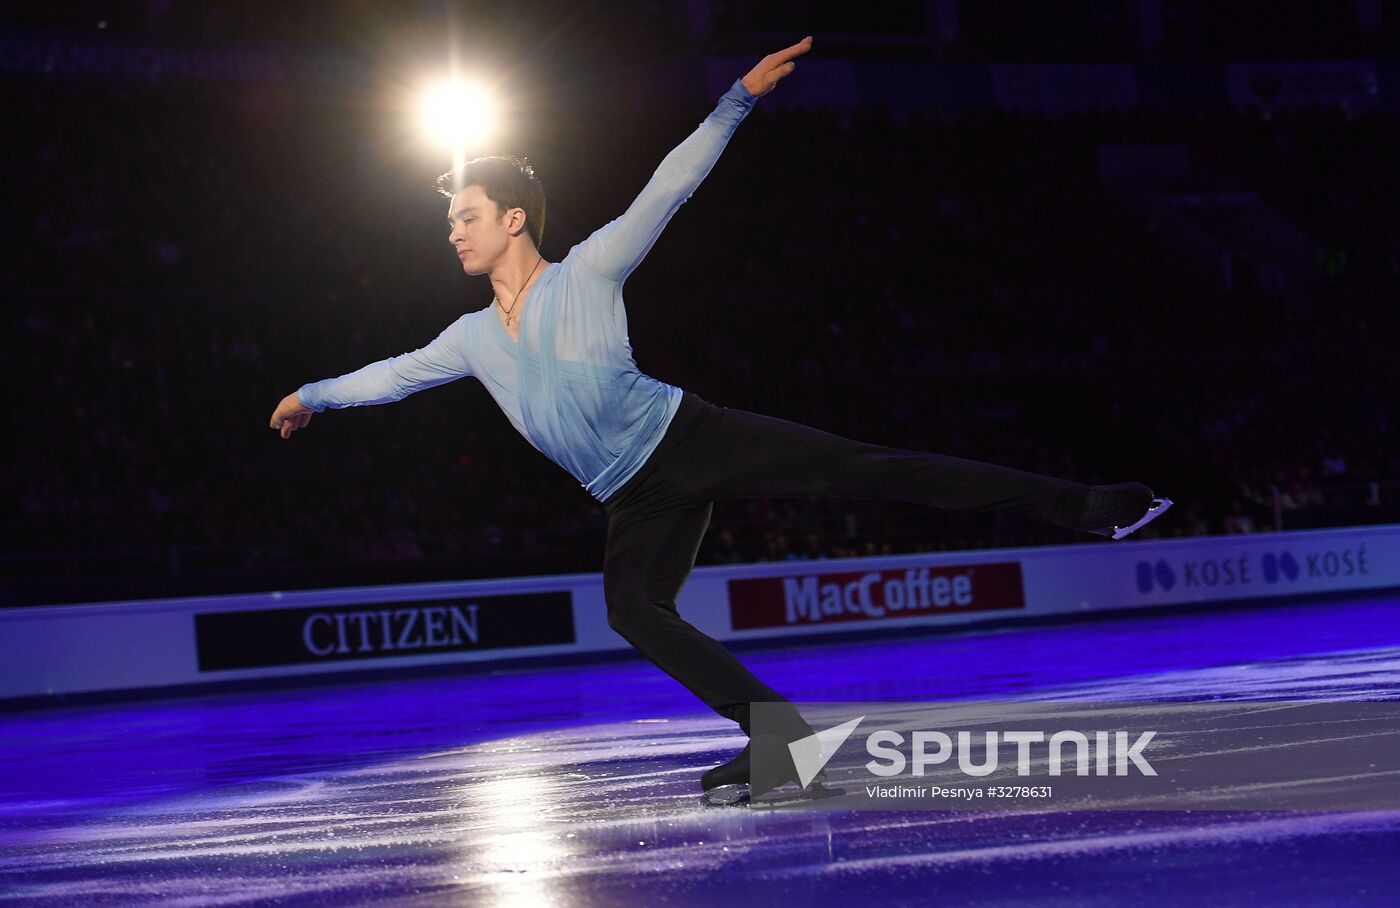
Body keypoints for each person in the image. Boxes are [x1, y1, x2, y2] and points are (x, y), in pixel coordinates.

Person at [268, 37, 1170, 804]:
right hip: (631, 495)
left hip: (691, 437)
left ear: (513, 219)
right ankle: (776, 734)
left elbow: (669, 186)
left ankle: (1090, 506)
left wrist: (737, 100)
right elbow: (391, 375)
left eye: (466, 218)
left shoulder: (587, 271)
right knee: (633, 609)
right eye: (449, 222)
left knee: (868, 466)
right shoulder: (468, 336)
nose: (453, 233)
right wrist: (313, 394)